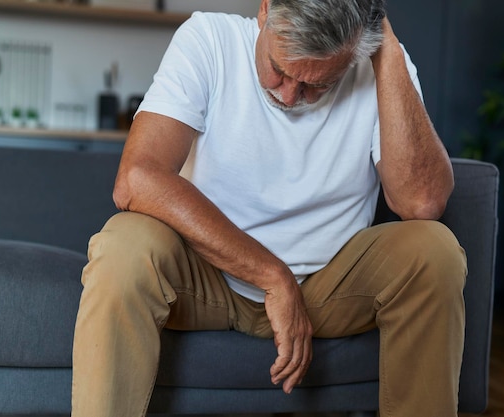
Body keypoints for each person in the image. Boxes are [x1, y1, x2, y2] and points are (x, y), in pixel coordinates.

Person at [71, 0, 467, 416]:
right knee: (123, 244)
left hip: (327, 287)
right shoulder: (209, 39)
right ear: (265, 10)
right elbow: (137, 178)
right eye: (279, 69)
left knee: (434, 250)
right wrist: (271, 276)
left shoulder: (382, 67)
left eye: (317, 85)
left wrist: (383, 42)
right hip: (208, 278)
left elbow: (422, 202)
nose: (289, 95)